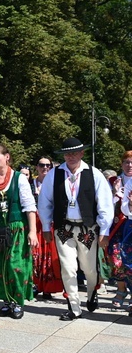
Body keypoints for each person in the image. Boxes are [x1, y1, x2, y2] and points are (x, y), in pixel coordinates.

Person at [37, 137, 114, 321]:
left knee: (89, 269)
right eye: (67, 153)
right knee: (68, 268)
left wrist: (104, 231)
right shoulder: (54, 175)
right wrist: (46, 226)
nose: (70, 156)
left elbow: (105, 204)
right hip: (64, 228)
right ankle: (74, 307)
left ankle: (91, 292)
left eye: (74, 153)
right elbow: (44, 202)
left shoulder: (93, 174)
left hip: (87, 228)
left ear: (81, 153)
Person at [0, 144, 38, 319]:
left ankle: (17, 302)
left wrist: (33, 231)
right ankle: (7, 301)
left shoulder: (19, 178)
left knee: (15, 266)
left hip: (16, 228)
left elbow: (30, 206)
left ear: (7, 157)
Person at [29, 157, 63, 299]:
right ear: (37, 167)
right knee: (35, 254)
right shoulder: (30, 184)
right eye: (42, 165)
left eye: (48, 165)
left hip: (50, 223)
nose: (45, 168)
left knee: (49, 256)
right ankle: (35, 285)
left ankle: (48, 287)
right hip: (34, 224)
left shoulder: (56, 184)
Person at [111, 152, 132, 310]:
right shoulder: (114, 181)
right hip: (119, 226)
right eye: (126, 162)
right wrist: (115, 192)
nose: (129, 165)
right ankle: (121, 289)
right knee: (117, 259)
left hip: (129, 224)